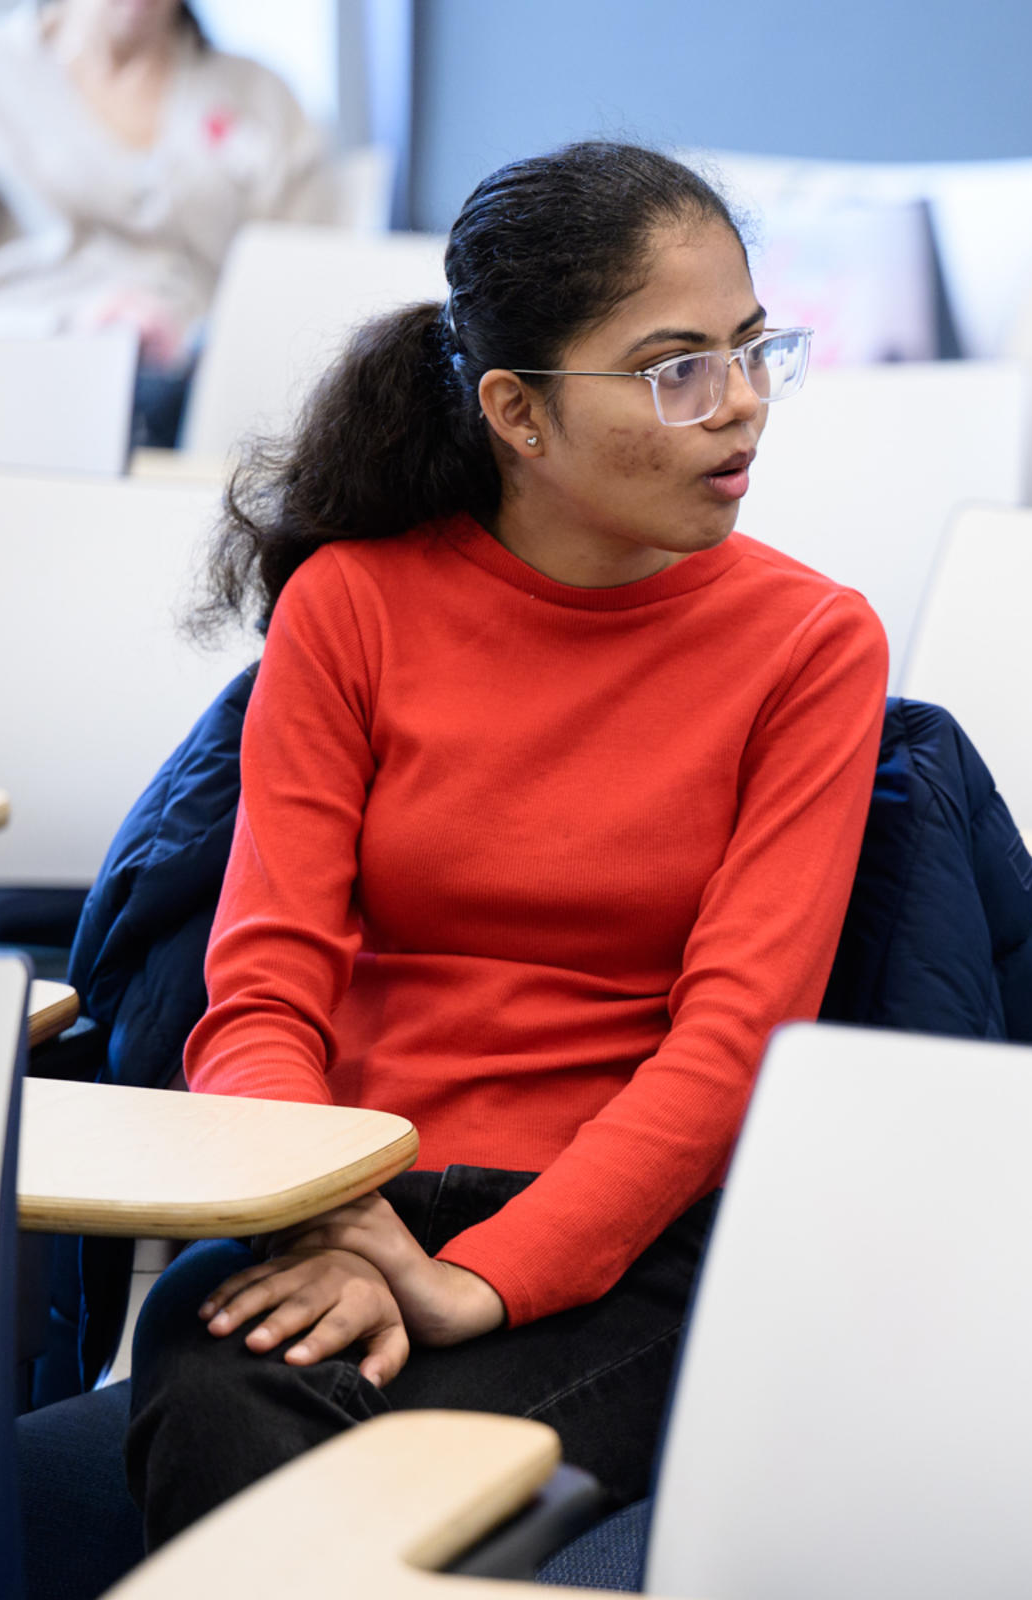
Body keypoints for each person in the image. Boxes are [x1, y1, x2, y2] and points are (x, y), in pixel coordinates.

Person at [115, 139, 885, 1547]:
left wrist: (483, 1278)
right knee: (237, 1409)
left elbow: (733, 1046)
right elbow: (266, 987)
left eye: (756, 348)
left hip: (629, 1241)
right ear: (516, 414)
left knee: (354, 1480)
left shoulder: (809, 644)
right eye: (679, 369)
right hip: (339, 1196)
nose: (747, 408)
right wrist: (330, 1224)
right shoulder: (352, 605)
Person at [0, 0, 334, 445]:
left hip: (205, 421)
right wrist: (66, 328)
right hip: (18, 406)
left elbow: (305, 303)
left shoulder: (264, 96)